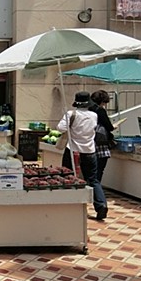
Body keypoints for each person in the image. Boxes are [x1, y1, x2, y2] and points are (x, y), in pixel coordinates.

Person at [58, 91, 108, 221]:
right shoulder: (94, 115)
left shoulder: (71, 114)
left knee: (68, 177)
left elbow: (60, 128)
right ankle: (101, 205)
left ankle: (70, 205)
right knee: (93, 180)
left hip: (73, 150)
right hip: (89, 151)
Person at [89, 90, 116, 182]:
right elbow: (109, 126)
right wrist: (113, 127)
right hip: (100, 144)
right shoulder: (100, 110)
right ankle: (96, 188)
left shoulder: (87, 109)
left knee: (90, 171)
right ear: (101, 101)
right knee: (99, 170)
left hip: (88, 143)